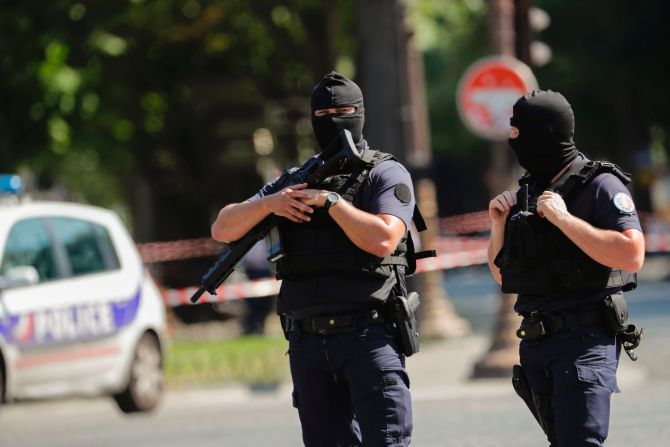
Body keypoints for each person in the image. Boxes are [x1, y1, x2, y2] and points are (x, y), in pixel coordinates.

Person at [211, 71, 421, 446]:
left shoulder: (384, 173)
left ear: (360, 113)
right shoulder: (297, 178)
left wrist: (333, 203)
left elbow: (385, 239)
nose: (334, 120)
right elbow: (223, 228)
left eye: (344, 111)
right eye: (324, 113)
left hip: (368, 337)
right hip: (308, 343)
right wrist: (271, 203)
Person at [487, 89, 645, 446]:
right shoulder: (528, 190)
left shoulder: (601, 185)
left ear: (545, 134)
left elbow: (633, 253)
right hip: (538, 345)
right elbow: (502, 276)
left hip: (584, 341)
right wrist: (498, 226)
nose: (515, 143)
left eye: (519, 134)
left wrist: (564, 220)